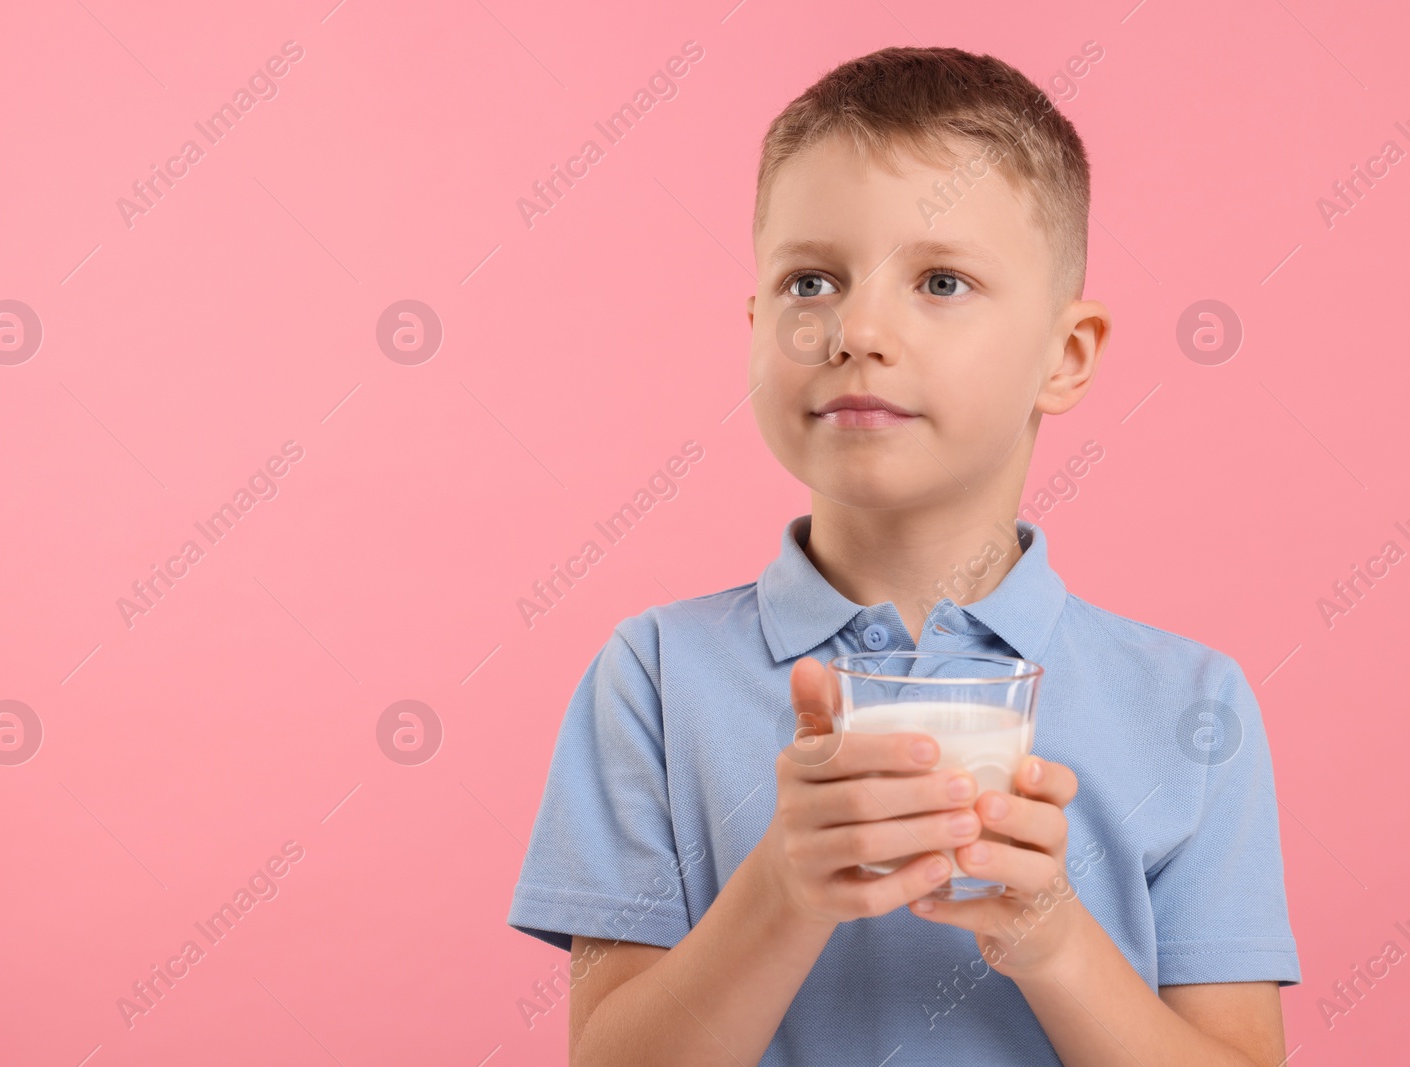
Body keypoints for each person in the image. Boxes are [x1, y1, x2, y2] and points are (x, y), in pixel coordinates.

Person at [506, 45, 1299, 1066]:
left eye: (940, 279)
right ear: (755, 328)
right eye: (810, 280)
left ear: (1065, 356)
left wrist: (1053, 936)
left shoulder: (1195, 703)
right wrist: (783, 889)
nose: (857, 327)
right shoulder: (654, 676)